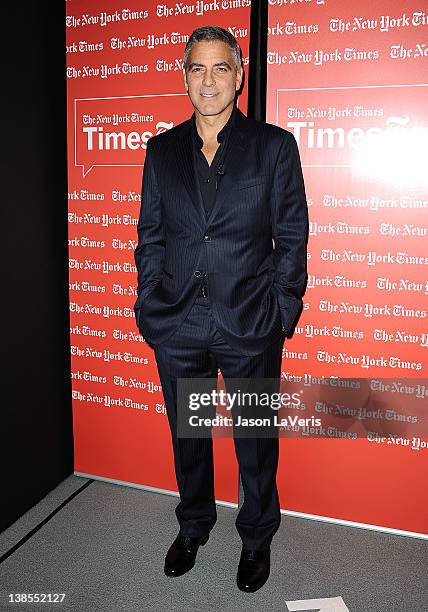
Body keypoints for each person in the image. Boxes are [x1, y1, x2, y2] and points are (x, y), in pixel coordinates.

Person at [134, 26, 308, 593]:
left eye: (219, 69)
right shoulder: (160, 152)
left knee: (254, 438)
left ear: (239, 75)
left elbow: (292, 235)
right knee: (190, 436)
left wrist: (283, 308)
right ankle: (195, 523)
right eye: (196, 69)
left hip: (249, 321)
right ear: (185, 76)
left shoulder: (274, 146)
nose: (208, 81)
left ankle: (257, 537)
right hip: (179, 321)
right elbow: (151, 235)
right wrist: (150, 298)